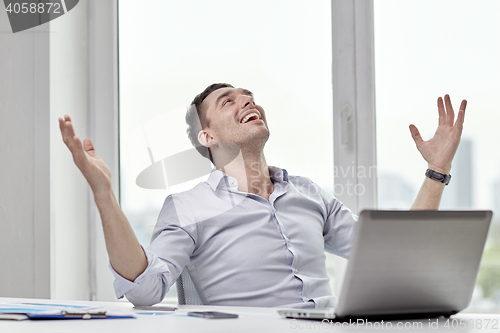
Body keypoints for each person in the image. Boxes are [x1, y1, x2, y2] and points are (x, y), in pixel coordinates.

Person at [59, 83, 467, 308]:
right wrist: (103, 194)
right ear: (208, 136)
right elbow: (145, 290)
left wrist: (438, 171)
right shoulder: (187, 209)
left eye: (249, 96)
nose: (248, 101)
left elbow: (396, 257)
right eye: (228, 101)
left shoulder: (309, 194)